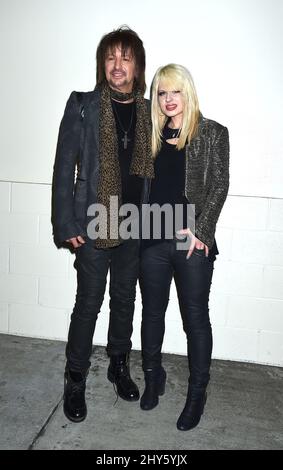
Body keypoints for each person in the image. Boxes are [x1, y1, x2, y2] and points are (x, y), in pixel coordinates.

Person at [52, 26, 154, 423]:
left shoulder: (147, 111)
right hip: (94, 224)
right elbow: (64, 168)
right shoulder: (83, 105)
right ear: (103, 63)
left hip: (133, 224)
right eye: (111, 57)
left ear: (137, 66)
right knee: (88, 304)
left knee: (125, 302)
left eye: (125, 57)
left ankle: (118, 364)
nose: (117, 65)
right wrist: (66, 222)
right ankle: (75, 377)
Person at [139, 64, 229, 431]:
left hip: (191, 242)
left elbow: (219, 186)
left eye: (175, 91)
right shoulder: (152, 135)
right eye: (162, 93)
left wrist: (201, 232)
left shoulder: (211, 133)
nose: (168, 99)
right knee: (152, 313)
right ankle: (152, 377)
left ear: (187, 92)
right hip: (151, 238)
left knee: (195, 318)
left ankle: (196, 394)